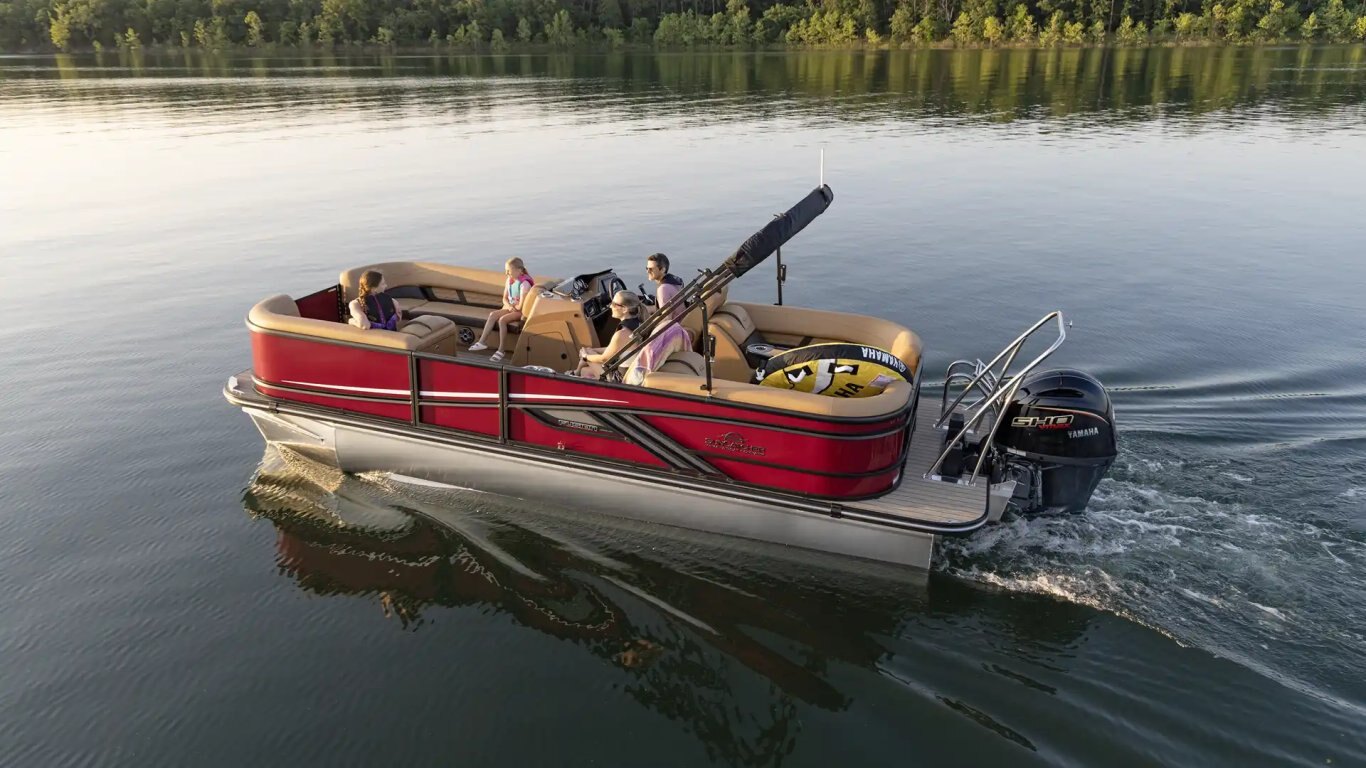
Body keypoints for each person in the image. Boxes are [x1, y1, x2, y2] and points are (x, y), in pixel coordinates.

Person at [469, 257, 534, 363]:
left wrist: (512, 307)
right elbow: (504, 299)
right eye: (506, 270)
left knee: (502, 320)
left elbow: (521, 306)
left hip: (521, 312)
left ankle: (501, 350)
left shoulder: (524, 284)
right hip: (511, 307)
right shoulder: (509, 280)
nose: (506, 273)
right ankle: (482, 342)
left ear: (519, 270)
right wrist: (509, 306)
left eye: (508, 270)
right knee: (492, 315)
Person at [574, 290, 644, 379]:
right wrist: (592, 350)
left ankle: (574, 373)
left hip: (618, 378)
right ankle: (576, 373)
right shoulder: (638, 323)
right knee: (585, 369)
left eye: (614, 304)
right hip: (627, 370)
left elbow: (604, 359)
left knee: (586, 354)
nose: (610, 306)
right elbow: (613, 349)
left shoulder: (622, 333)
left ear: (625, 309)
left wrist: (585, 356)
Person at [644, 252, 685, 321]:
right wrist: (649, 308)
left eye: (651, 269)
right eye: (646, 268)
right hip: (682, 320)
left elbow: (666, 318)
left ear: (663, 270)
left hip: (675, 324)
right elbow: (668, 306)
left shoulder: (663, 289)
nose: (647, 271)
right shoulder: (674, 282)